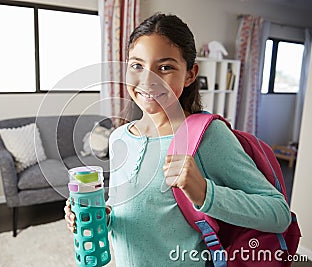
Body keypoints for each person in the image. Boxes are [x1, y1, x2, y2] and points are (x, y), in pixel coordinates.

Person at [65, 13, 291, 266]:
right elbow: (127, 209)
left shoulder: (206, 135)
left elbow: (278, 214)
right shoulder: (119, 138)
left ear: (190, 74)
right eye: (137, 65)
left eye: (165, 67)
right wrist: (99, 216)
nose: (148, 80)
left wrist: (206, 193)